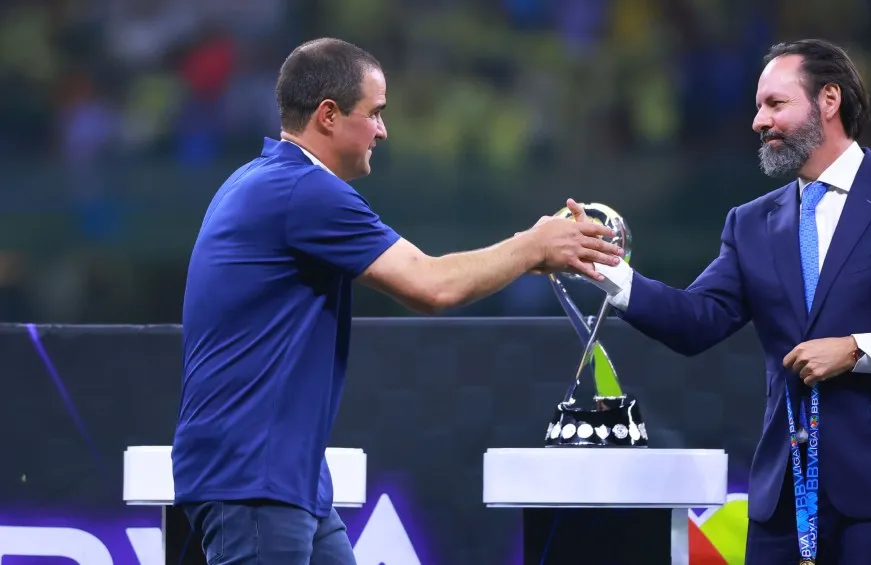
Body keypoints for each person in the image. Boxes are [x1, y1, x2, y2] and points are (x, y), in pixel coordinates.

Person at [171, 37, 623, 565]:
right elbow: (432, 285)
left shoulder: (261, 181)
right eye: (376, 113)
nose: (384, 130)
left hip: (287, 475)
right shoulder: (303, 192)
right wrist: (534, 244)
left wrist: (530, 253)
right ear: (328, 115)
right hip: (254, 477)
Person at [591, 39, 871, 564]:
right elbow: (696, 320)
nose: (759, 121)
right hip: (785, 495)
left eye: (776, 104)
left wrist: (855, 350)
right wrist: (606, 270)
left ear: (829, 100)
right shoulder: (750, 222)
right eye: (758, 107)